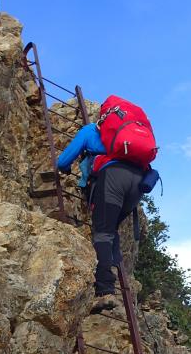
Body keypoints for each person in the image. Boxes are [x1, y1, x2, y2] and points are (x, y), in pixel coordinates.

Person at [56, 121, 144, 312]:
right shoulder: (128, 137)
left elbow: (63, 161)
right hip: (139, 182)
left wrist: (65, 169)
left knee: (103, 233)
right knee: (110, 229)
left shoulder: (90, 130)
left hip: (112, 178)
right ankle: (113, 274)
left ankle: (105, 290)